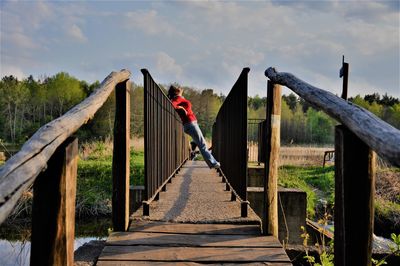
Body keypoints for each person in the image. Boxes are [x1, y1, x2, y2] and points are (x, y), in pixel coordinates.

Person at [168, 85, 220, 169]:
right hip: (191, 123)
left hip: (190, 124)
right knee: (202, 145)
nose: (181, 87)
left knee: (200, 143)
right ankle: (213, 163)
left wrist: (181, 107)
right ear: (176, 91)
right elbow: (173, 104)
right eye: (178, 87)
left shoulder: (180, 98)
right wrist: (180, 108)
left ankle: (197, 151)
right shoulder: (177, 98)